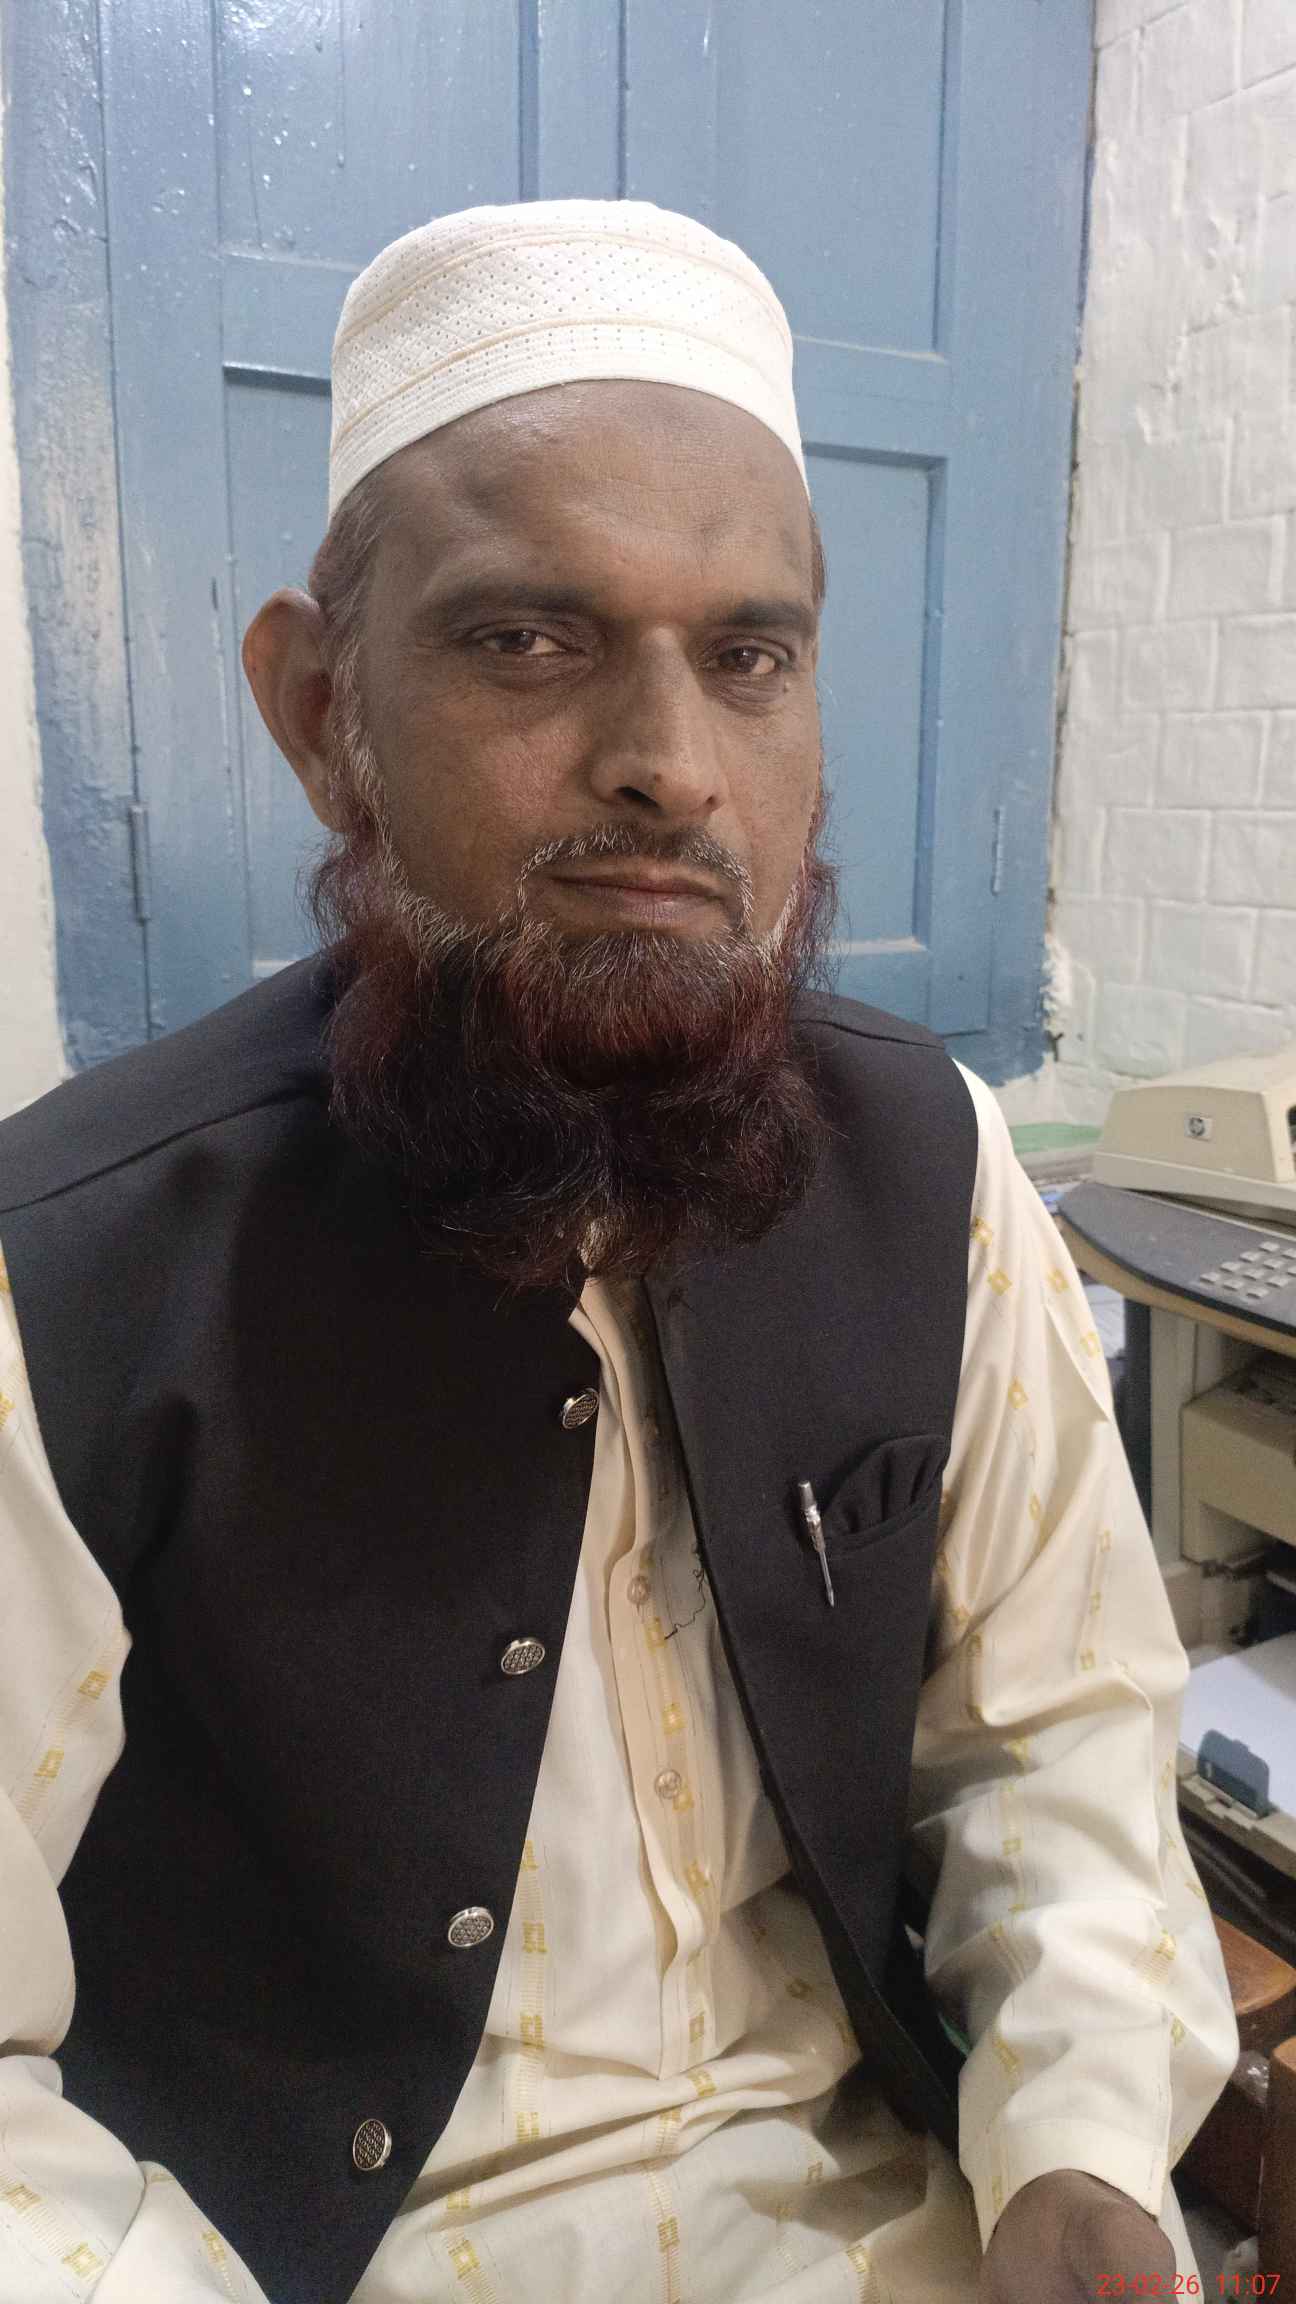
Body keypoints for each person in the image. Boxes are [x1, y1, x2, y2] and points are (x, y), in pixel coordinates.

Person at [0, 199, 1235, 2304]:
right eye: (526, 641)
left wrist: (1082, 2154)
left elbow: (1056, 1752)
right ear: (319, 706)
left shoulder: (931, 1170)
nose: (670, 765)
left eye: (749, 658)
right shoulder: (66, 1276)